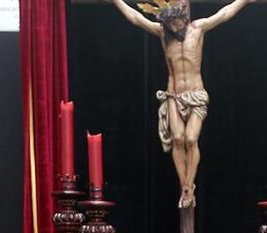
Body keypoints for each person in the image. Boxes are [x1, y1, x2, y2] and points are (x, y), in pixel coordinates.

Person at [107, 0, 254, 208]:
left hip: (196, 94)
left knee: (191, 138)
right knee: (177, 138)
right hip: (174, 95)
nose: (175, 28)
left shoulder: (198, 28)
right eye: (170, 25)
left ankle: (189, 185)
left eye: (177, 23)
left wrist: (244, 1)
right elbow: (136, 18)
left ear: (183, 18)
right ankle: (184, 186)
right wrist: (116, 1)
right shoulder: (163, 33)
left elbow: (224, 13)